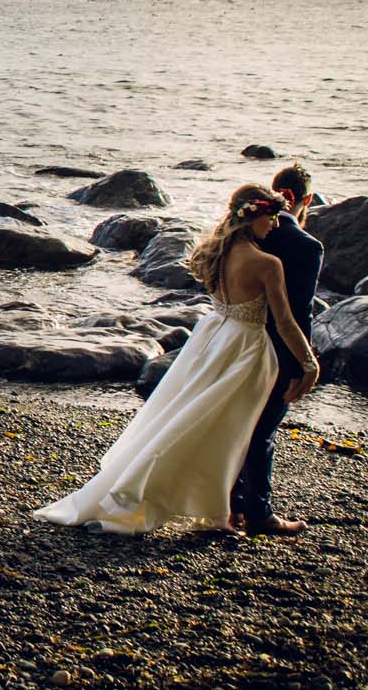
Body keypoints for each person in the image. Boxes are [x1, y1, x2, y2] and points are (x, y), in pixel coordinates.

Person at [34, 184, 321, 534]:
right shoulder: (267, 264)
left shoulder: (215, 254)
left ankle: (215, 509)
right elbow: (287, 322)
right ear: (254, 217)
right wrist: (308, 362)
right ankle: (217, 513)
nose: (275, 226)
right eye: (271, 217)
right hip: (246, 348)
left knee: (191, 419)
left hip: (213, 339)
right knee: (229, 433)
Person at [228, 163, 325, 536]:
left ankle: (232, 503)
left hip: (232, 341)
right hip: (276, 349)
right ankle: (259, 511)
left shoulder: (244, 234)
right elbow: (299, 310)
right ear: (307, 200)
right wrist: (305, 361)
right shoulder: (307, 246)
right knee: (264, 430)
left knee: (236, 424)